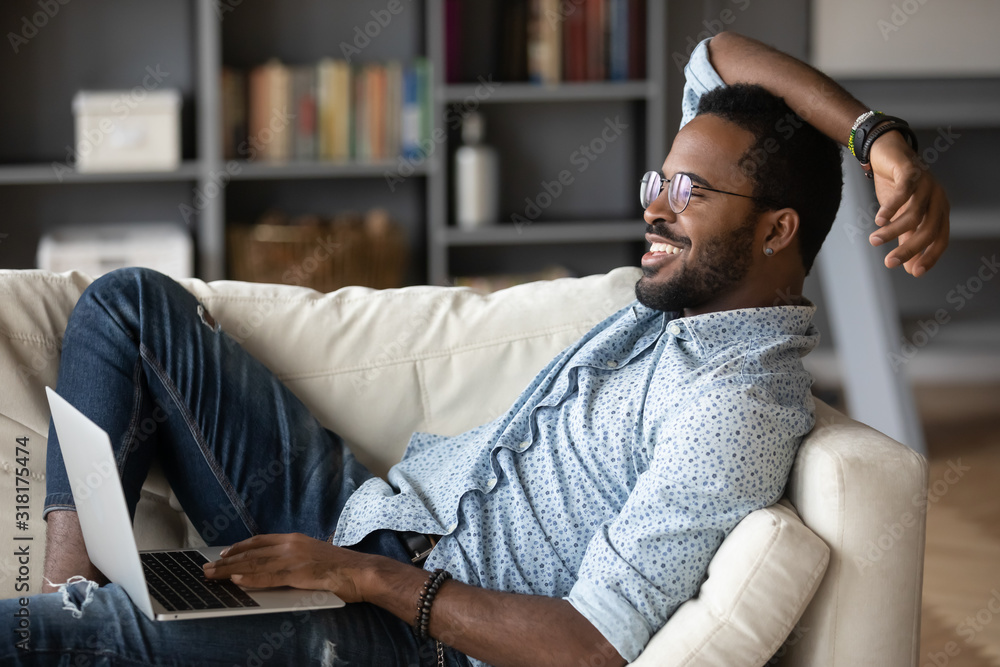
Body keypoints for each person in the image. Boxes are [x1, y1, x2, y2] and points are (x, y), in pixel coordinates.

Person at [2, 32, 949, 667]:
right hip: (367, 514)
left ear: (779, 230)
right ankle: (72, 586)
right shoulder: (700, 287)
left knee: (83, 638)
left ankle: (79, 628)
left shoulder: (736, 407)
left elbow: (591, 642)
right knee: (129, 307)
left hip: (412, 634)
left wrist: (359, 575)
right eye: (663, 175)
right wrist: (878, 137)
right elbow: (716, 52)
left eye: (689, 192)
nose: (654, 204)